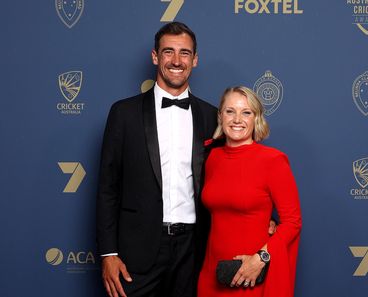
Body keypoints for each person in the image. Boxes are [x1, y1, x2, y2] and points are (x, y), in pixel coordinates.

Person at [96, 22, 218, 297]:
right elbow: (107, 188)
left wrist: (264, 220)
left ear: (195, 60)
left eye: (185, 53)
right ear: (155, 56)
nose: (177, 61)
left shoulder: (212, 116)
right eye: (168, 52)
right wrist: (108, 253)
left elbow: (231, 173)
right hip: (135, 253)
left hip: (193, 250)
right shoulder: (123, 113)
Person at [197, 86, 302, 297]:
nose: (237, 119)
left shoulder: (273, 161)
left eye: (246, 112)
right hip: (212, 275)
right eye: (230, 111)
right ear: (220, 116)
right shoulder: (213, 158)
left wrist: (260, 259)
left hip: (251, 275)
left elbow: (293, 222)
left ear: (256, 118)